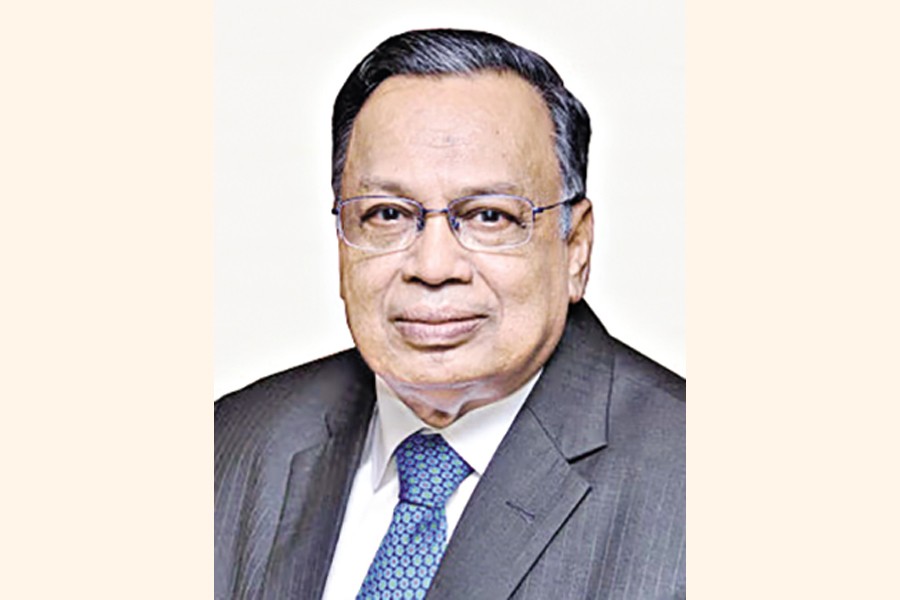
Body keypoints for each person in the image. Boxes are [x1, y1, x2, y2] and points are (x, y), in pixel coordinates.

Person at [215, 29, 684, 600]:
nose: (433, 266)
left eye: (489, 216)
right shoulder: (229, 442)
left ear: (576, 248)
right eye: (387, 213)